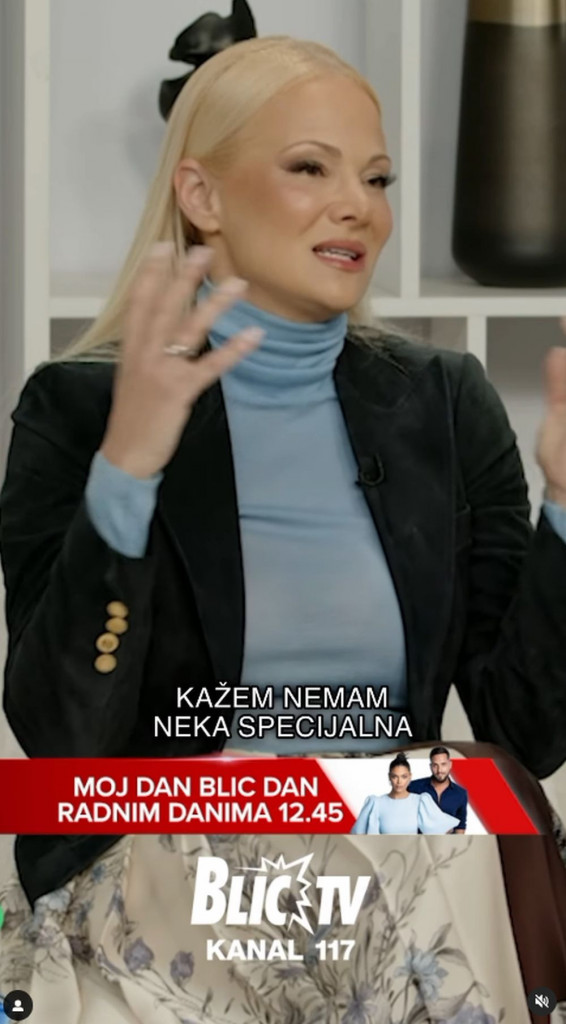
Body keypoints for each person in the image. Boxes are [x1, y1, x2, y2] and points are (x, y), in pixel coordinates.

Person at [1, 33, 566, 1024]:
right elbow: (61, 740)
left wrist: (564, 508)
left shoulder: (444, 403)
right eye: (310, 168)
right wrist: (126, 470)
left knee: (440, 812)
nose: (359, 206)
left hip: (393, 855)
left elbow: (525, 734)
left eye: (376, 179)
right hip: (163, 858)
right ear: (202, 195)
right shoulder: (77, 407)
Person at [350, 753, 461, 834]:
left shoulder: (420, 802)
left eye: (404, 776)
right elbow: (359, 835)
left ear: (410, 777)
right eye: (395, 777)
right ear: (389, 777)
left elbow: (444, 828)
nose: (399, 781)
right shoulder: (376, 803)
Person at [409, 745, 468, 834]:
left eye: (443, 764)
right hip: (420, 840)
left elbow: (460, 827)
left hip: (447, 841)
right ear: (430, 766)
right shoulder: (414, 787)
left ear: (450, 764)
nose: (439, 770)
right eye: (435, 765)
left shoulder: (460, 794)